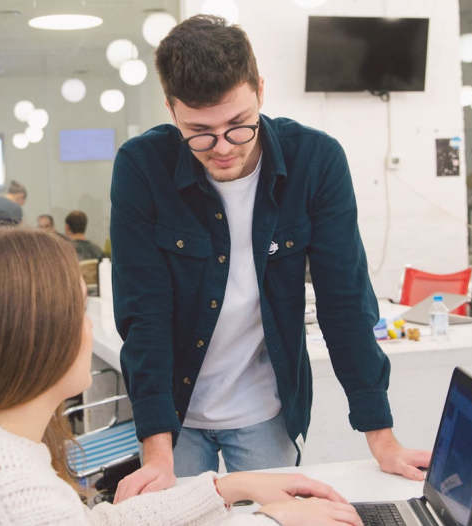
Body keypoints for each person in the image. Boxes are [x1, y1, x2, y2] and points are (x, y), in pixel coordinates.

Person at [110, 14, 430, 499]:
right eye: (199, 132)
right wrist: (157, 450)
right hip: (173, 415)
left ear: (260, 89)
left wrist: (381, 438)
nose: (221, 148)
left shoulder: (316, 161)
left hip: (265, 410)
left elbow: (344, 301)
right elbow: (144, 313)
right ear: (170, 108)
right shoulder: (141, 166)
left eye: (238, 125)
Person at [0, 228, 363, 526]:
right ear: (35, 336)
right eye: (79, 309)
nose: (90, 325)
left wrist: (232, 488)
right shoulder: (0, 477)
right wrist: (265, 518)